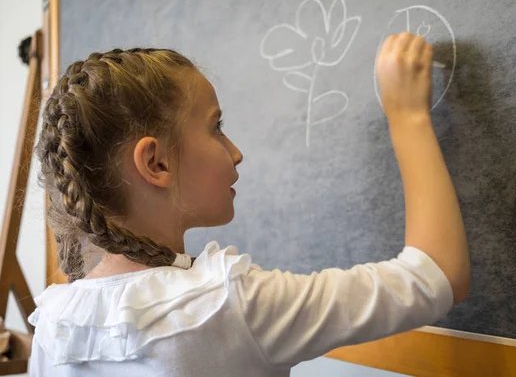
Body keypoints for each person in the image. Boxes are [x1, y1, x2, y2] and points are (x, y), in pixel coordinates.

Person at [28, 31, 470, 376]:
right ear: (157, 162)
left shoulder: (54, 325)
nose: (235, 151)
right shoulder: (226, 307)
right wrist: (407, 115)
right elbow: (435, 276)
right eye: (217, 127)